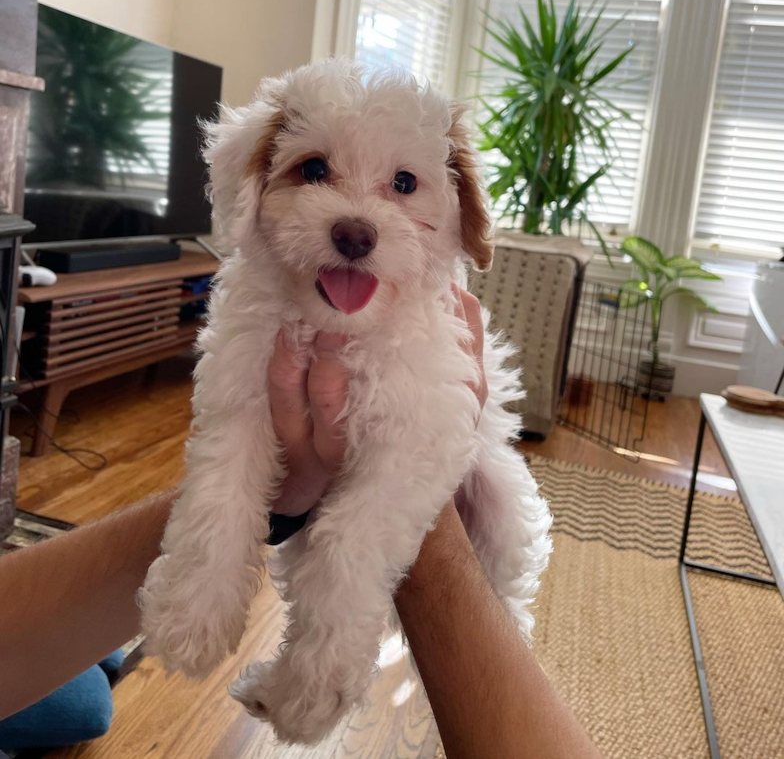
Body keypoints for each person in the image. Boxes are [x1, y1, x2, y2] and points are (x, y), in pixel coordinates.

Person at [0, 289, 600, 758]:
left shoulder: (430, 305)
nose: (356, 221)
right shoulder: (257, 297)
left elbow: (414, 463)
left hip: (465, 499)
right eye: (314, 176)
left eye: (402, 183)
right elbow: (233, 434)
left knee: (485, 556)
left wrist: (408, 517)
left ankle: (313, 660)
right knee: (86, 705)